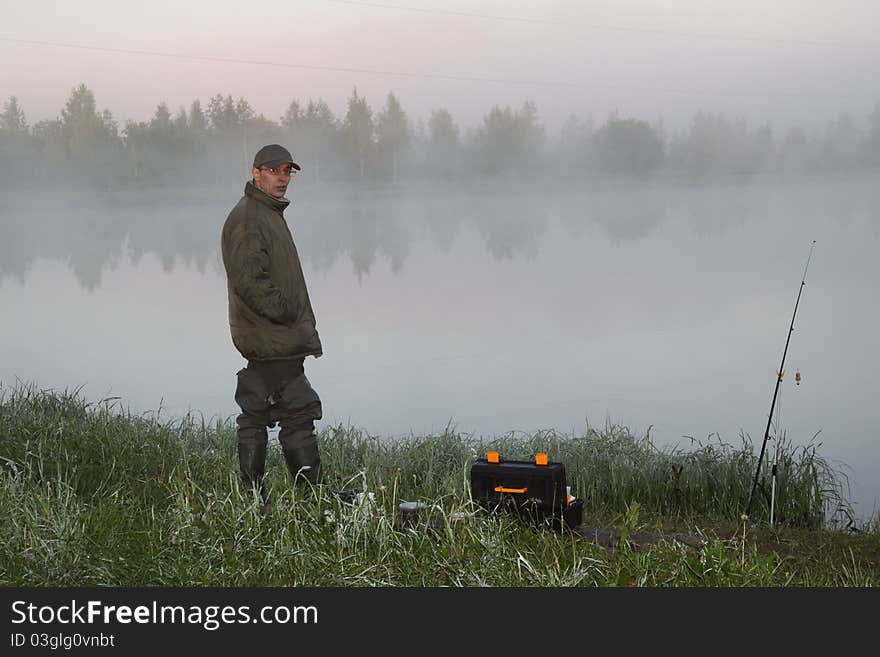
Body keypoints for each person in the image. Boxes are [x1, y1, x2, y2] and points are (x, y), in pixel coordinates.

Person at [221, 144, 324, 506]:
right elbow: (249, 280)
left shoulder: (266, 213)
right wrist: (285, 312)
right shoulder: (250, 218)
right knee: (298, 410)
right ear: (256, 173)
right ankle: (312, 499)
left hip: (267, 336)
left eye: (287, 171)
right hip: (271, 335)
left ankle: (253, 499)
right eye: (274, 171)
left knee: (256, 409)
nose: (283, 178)